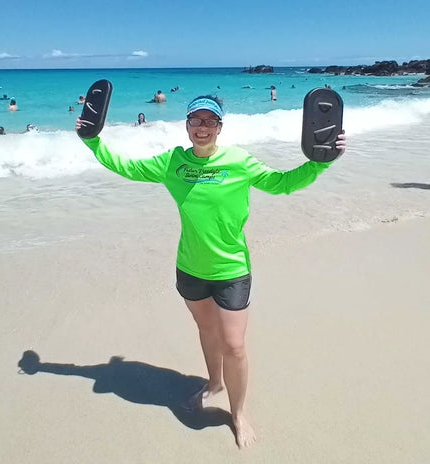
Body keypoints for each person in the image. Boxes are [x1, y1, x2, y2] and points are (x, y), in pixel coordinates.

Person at [76, 95, 347, 448]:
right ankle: (214, 383)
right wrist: (93, 142)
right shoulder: (172, 162)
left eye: (210, 121)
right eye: (195, 120)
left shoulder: (238, 161)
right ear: (187, 124)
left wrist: (321, 162)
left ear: (220, 127)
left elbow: (281, 183)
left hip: (232, 269)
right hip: (190, 268)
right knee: (206, 330)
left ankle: (237, 414)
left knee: (234, 345)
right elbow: (126, 166)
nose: (202, 127)